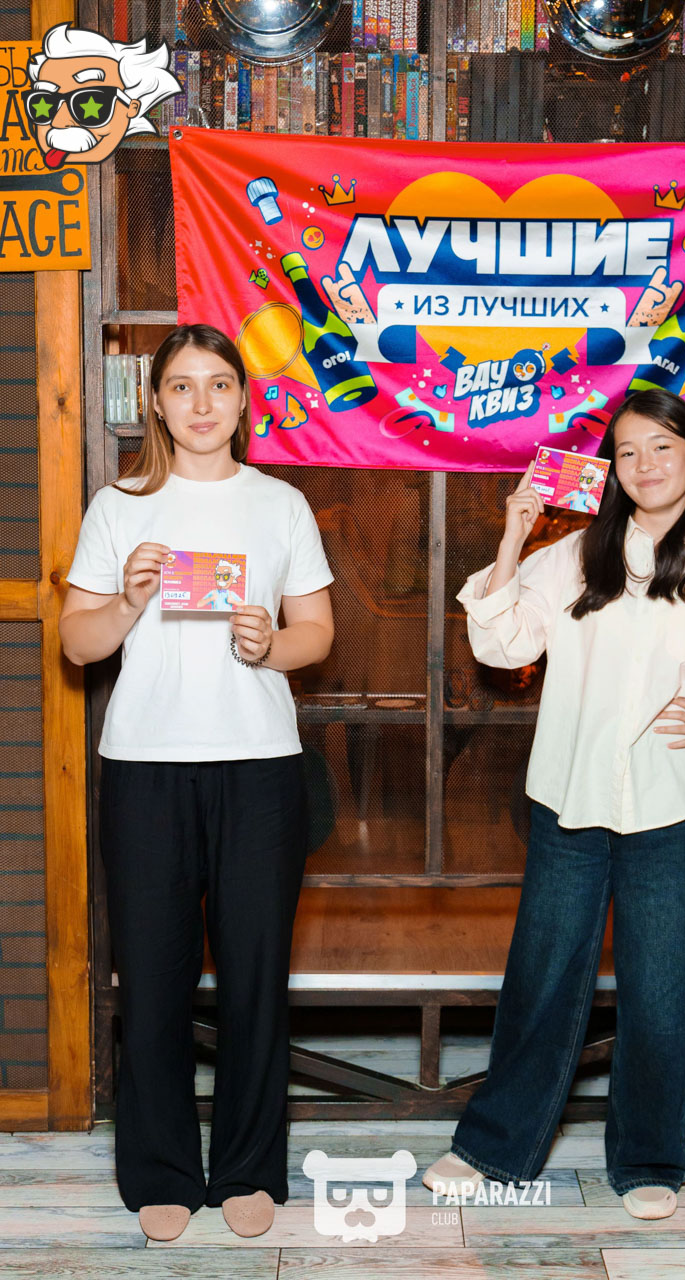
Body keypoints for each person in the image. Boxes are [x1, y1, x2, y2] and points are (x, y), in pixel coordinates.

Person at [423, 387, 685, 1220]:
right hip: (566, 803)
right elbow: (501, 643)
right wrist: (512, 536)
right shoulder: (576, 555)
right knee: (541, 981)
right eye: (626, 451)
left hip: (669, 809)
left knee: (660, 991)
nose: (644, 464)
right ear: (610, 469)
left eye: (661, 446)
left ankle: (648, 1158)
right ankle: (491, 1147)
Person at [59, 324, 334, 1243]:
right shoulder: (118, 506)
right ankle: (162, 1168)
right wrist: (129, 600)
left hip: (259, 767)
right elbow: (78, 643)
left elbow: (316, 634)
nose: (202, 403)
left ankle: (250, 1167)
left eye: (219, 384)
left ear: (243, 400)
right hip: (144, 766)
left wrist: (270, 644)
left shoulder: (280, 504)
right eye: (182, 386)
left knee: (256, 973)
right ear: (157, 402)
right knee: (153, 979)